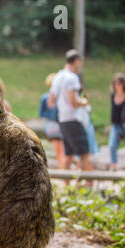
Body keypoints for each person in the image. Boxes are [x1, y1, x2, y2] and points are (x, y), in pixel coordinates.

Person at [48, 49, 92, 184]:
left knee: (69, 155)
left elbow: (50, 102)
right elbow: (74, 102)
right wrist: (83, 102)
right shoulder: (72, 78)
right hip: (73, 119)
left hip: (63, 120)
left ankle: (67, 187)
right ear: (77, 61)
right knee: (84, 154)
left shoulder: (58, 77)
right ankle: (78, 186)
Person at [108, 73, 125, 171]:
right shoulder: (113, 95)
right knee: (112, 145)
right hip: (117, 124)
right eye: (115, 83)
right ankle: (114, 166)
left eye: (119, 83)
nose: (117, 85)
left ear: (123, 84)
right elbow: (113, 110)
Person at [39, 73, 65, 169]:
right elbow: (42, 113)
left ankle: (63, 170)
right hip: (55, 125)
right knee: (61, 151)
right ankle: (63, 171)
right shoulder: (46, 97)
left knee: (60, 152)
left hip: (55, 125)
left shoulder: (59, 97)